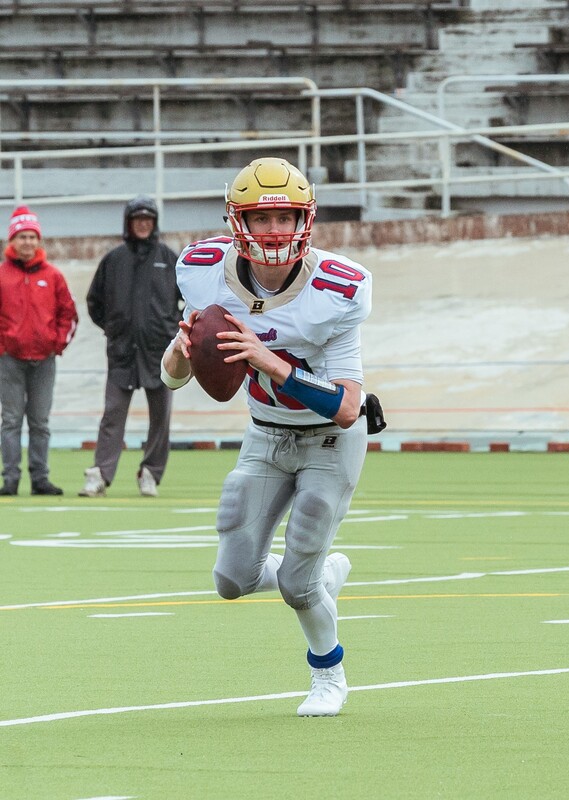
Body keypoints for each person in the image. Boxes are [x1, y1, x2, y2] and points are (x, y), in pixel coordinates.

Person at [162, 157, 385, 716]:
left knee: (296, 587)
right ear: (237, 221)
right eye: (261, 218)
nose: (274, 230)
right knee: (231, 579)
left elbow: (348, 407)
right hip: (265, 434)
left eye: (285, 217)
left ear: (305, 220)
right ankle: (319, 572)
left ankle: (329, 676)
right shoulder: (204, 271)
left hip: (329, 442)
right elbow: (172, 377)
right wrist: (182, 350)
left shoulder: (337, 287)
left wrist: (271, 361)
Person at [79, 195, 182, 498]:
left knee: (161, 417)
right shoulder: (114, 260)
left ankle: (151, 472)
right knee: (112, 414)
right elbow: (94, 302)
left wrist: (171, 329)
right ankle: (100, 474)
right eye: (138, 219)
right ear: (128, 223)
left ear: (155, 223)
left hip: (160, 354)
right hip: (122, 352)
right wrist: (113, 329)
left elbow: (189, 300)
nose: (143, 224)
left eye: (148, 219)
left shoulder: (169, 258)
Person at [0, 206, 78, 496]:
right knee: (10, 421)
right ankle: (10, 479)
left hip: (44, 361)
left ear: (38, 240)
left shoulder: (53, 276)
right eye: (22, 236)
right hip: (9, 360)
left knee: (40, 422)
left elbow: (68, 313)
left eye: (32, 237)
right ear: (12, 240)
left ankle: (40, 478)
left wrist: (56, 343)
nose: (28, 242)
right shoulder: (1, 275)